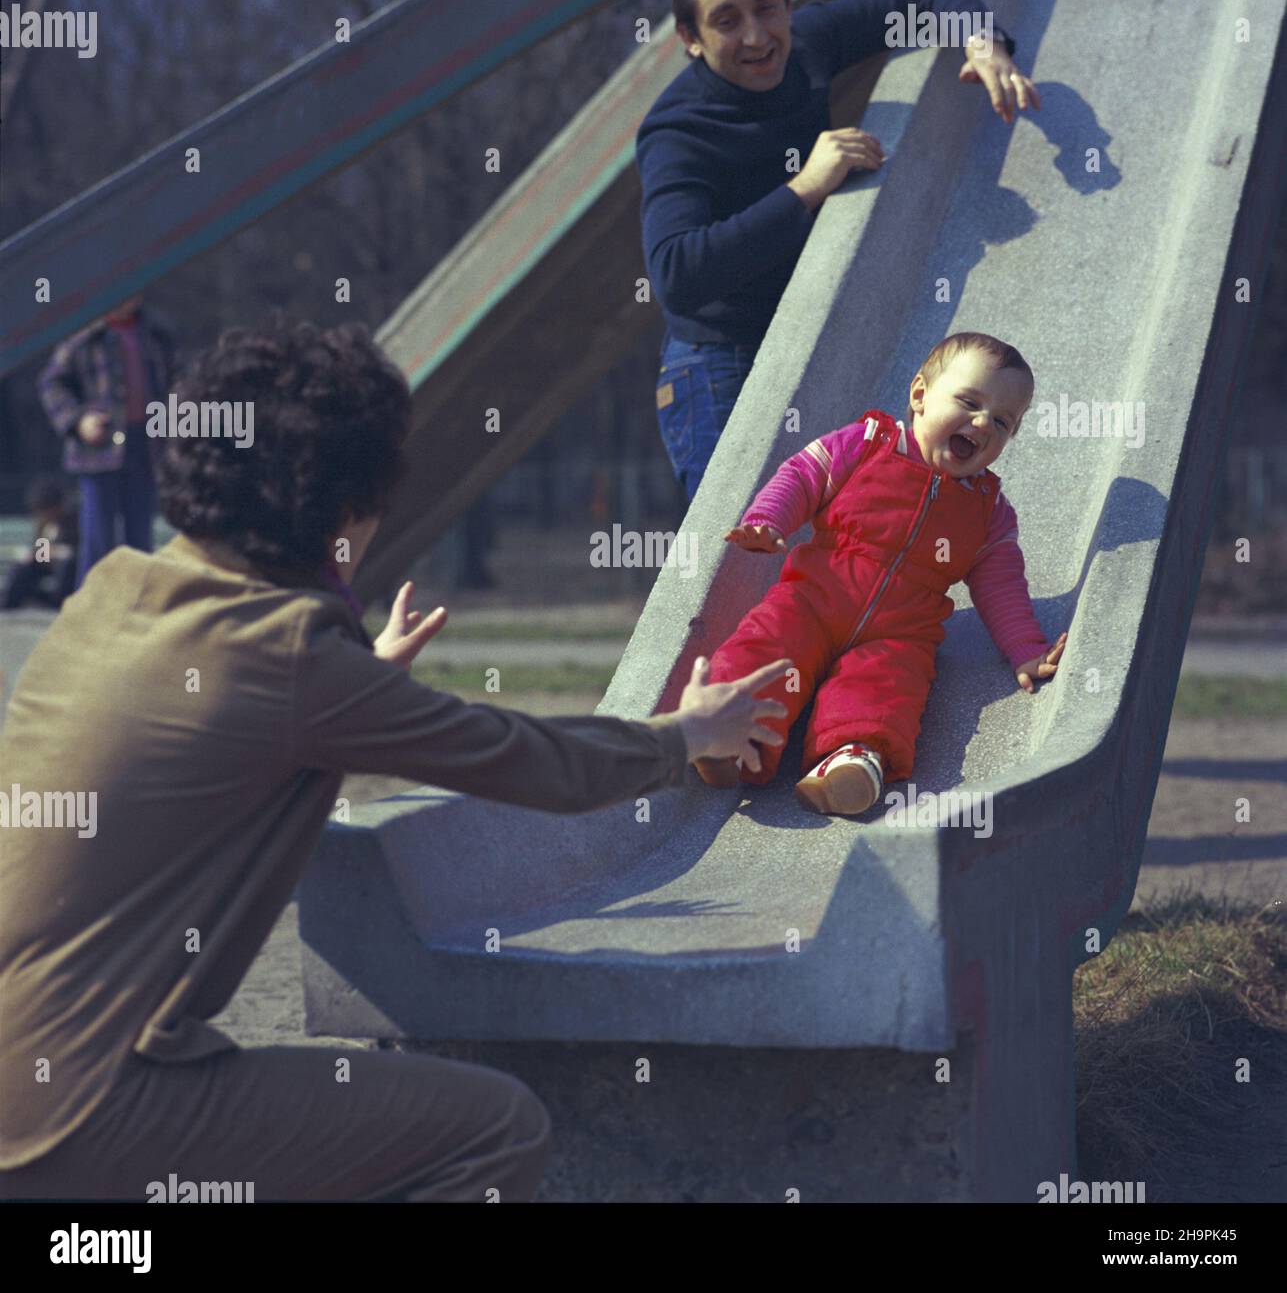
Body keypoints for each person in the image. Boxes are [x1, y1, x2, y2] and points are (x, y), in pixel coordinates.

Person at [0, 318, 790, 1202]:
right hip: (78, 1112)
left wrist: (359, 681)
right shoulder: (290, 653)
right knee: (493, 1131)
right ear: (344, 509)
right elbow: (533, 762)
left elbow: (212, 725)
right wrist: (686, 733)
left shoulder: (113, 591)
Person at [637, 0, 1041, 501]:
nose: (756, 36)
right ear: (691, 37)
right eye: (726, 20)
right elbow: (676, 276)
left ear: (788, 2)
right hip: (717, 364)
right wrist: (804, 188)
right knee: (740, 550)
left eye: (766, 7)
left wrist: (982, 41)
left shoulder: (805, 41)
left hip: (807, 329)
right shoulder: (677, 131)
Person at [688, 332, 1069, 816]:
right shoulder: (867, 444)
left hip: (899, 632)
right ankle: (729, 734)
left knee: (886, 690)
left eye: (1002, 422)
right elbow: (803, 475)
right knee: (767, 648)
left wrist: (1026, 650)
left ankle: (847, 763)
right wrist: (769, 520)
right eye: (969, 402)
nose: (982, 423)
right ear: (919, 396)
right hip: (811, 600)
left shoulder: (989, 510)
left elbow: (1002, 585)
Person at [36, 293, 175, 588]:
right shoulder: (85, 334)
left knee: (140, 535)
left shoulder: (155, 333)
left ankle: (138, 604)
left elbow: (176, 381)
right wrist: (77, 420)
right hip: (101, 447)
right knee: (98, 535)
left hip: (145, 443)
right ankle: (90, 607)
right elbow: (51, 382)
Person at [1, 477, 78, 611]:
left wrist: (56, 552)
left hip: (68, 567)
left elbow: (76, 551)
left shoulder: (74, 521)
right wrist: (33, 554)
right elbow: (40, 546)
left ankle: (58, 607)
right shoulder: (43, 524)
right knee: (22, 569)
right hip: (46, 564)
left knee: (66, 567)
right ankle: (9, 607)